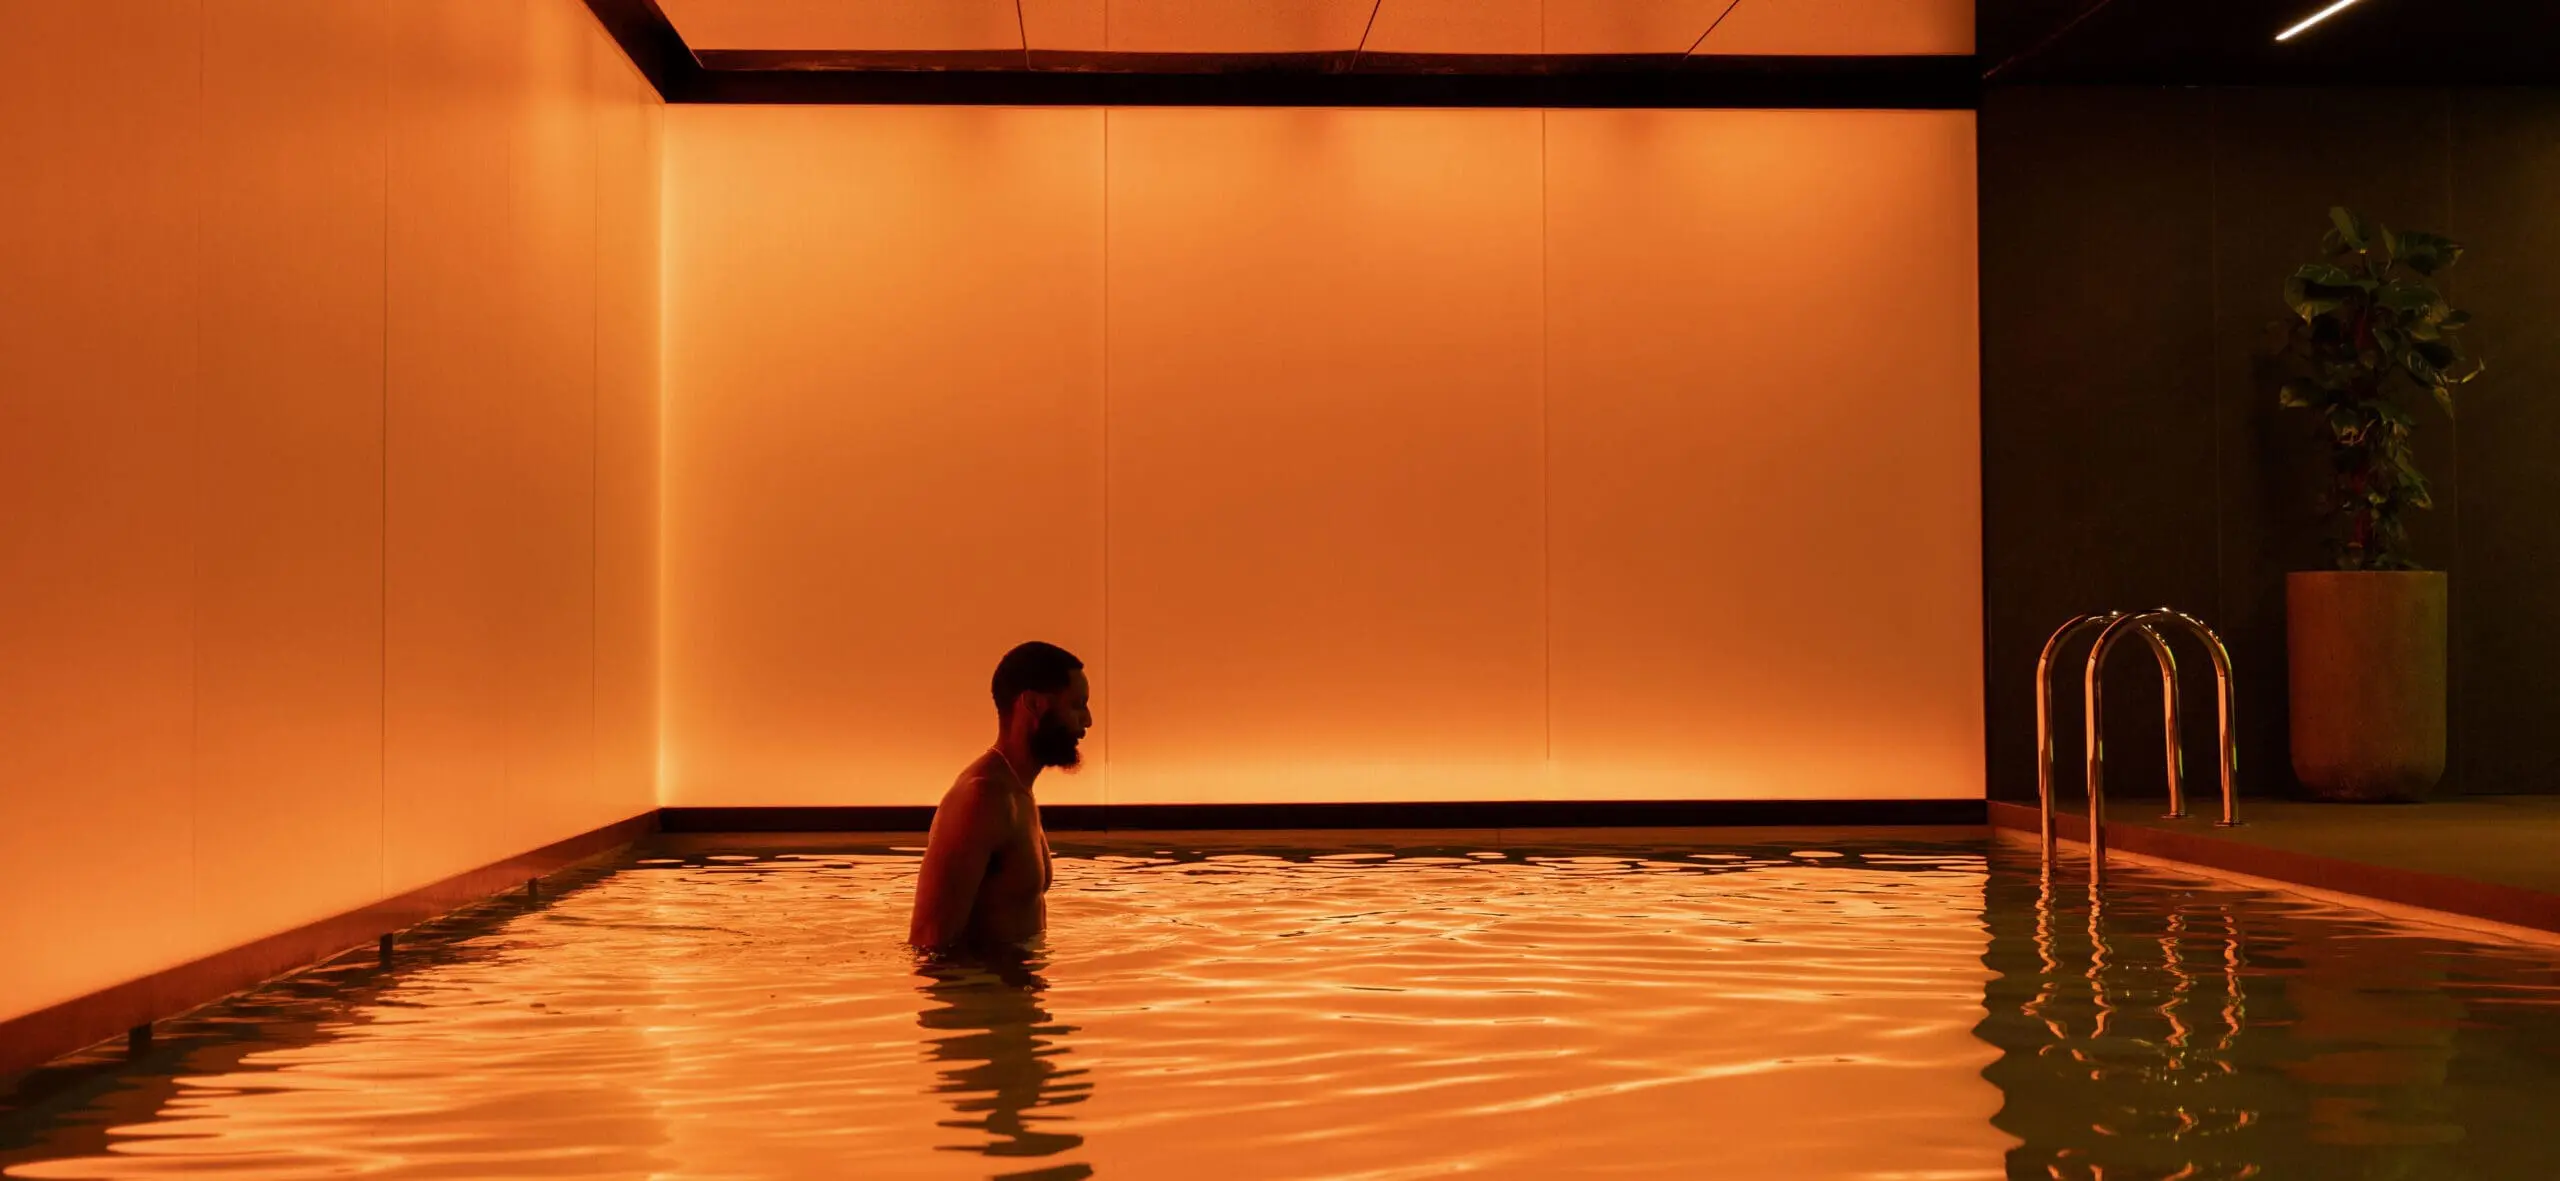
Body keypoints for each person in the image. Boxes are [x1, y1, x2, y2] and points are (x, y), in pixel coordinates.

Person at [909, 642, 1092, 951]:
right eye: (1077, 705)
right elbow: (929, 943)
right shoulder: (983, 799)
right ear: (1034, 704)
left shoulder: (1018, 790)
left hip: (1009, 995)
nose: (1087, 721)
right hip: (984, 996)